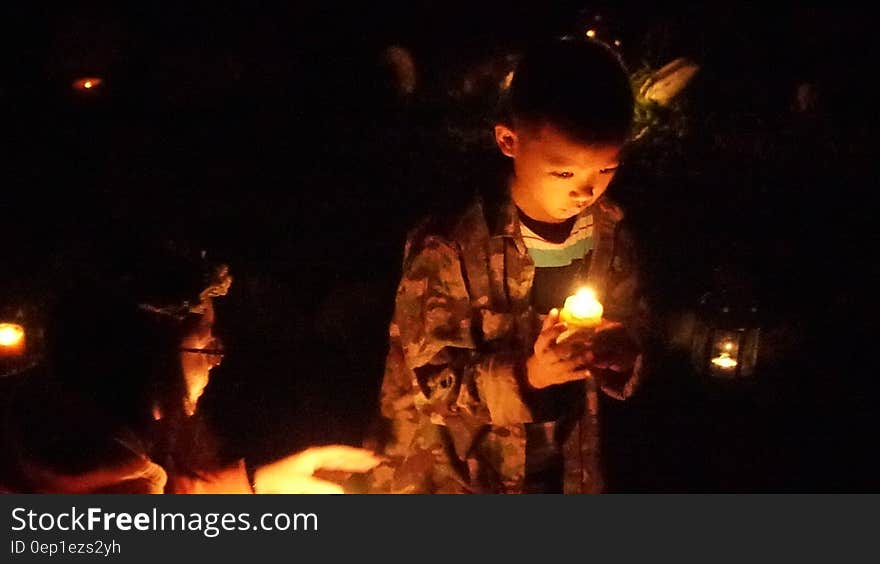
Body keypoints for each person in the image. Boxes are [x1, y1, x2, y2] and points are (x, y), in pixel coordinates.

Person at [369, 38, 647, 493]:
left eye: (604, 171)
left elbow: (634, 321)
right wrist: (528, 375)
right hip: (456, 476)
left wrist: (620, 354)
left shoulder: (609, 234)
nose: (585, 192)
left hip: (561, 469)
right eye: (564, 173)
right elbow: (430, 384)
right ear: (508, 141)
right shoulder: (452, 246)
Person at [0, 243, 380, 494]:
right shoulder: (92, 475)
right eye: (205, 343)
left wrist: (257, 484)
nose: (217, 360)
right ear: (148, 358)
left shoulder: (45, 420)